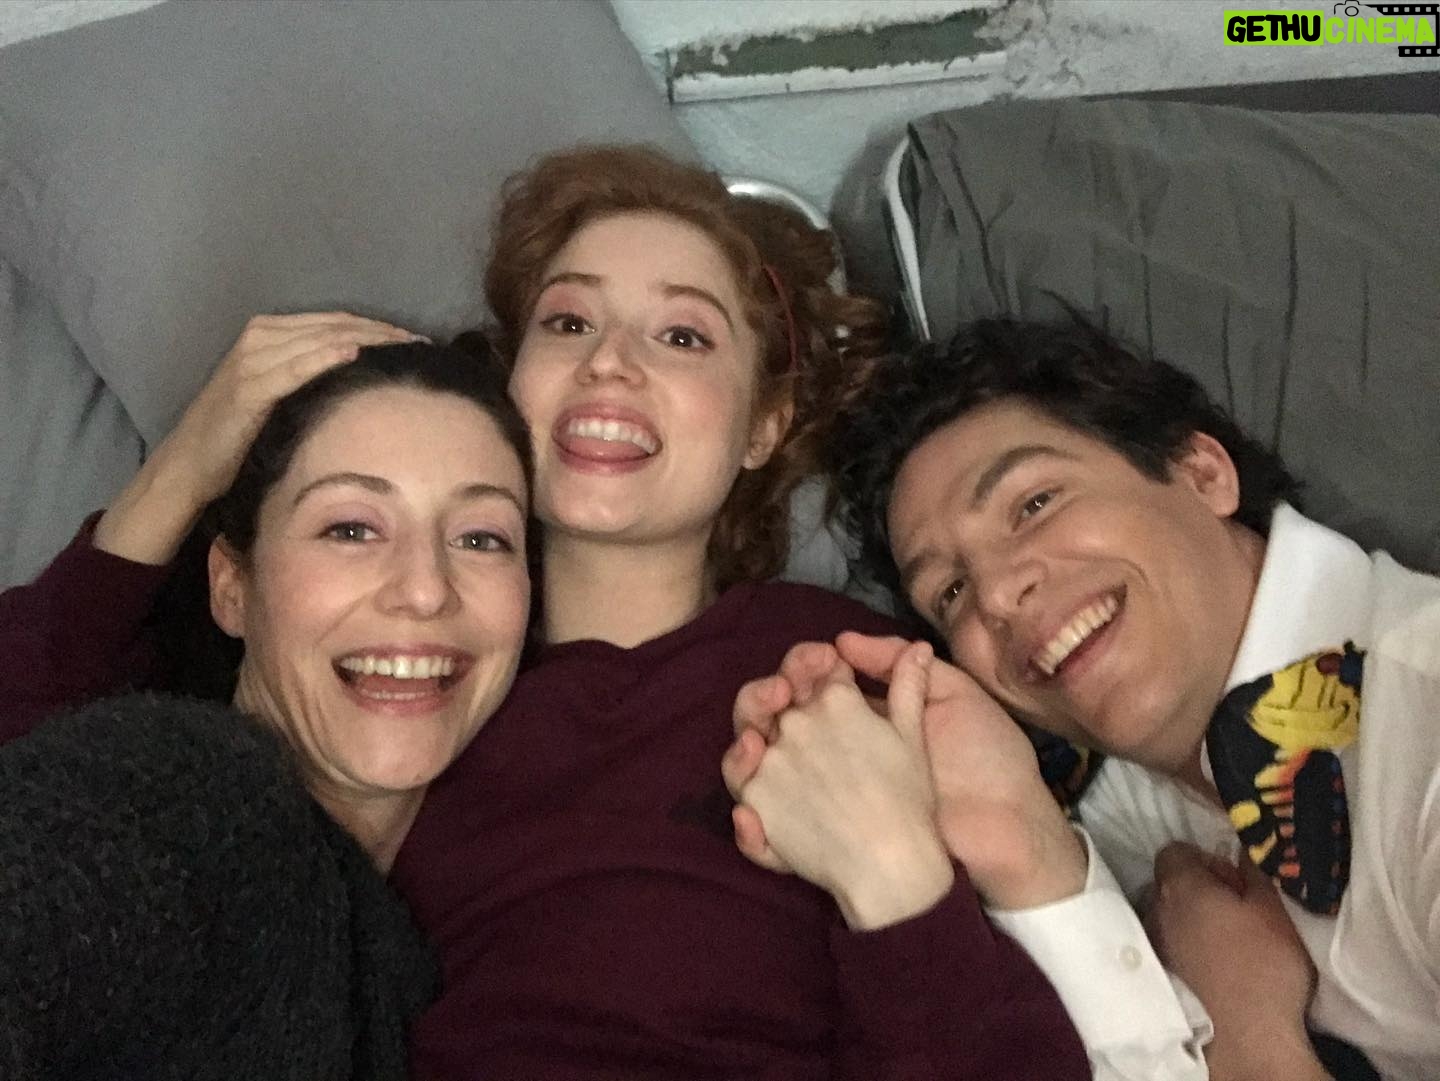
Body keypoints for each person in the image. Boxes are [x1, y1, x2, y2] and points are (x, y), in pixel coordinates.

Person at [0, 150, 1089, 1080]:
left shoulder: (841, 664)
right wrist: (184, 467)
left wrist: (898, 881)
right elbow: (58, 781)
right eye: (568, 321)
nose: (611, 361)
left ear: (764, 423)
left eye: (683, 337)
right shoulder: (403, 687)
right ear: (510, 386)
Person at [813, 315, 1434, 1080]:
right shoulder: (1107, 823)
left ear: (1203, 472)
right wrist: (1030, 856)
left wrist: (1251, 1042)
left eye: (1035, 503)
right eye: (951, 590)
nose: (998, 595)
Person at [0, 337, 534, 1079]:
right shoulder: (182, 803)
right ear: (232, 588)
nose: (425, 589)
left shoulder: (418, 949)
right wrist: (178, 474)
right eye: (351, 529)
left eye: (481, 537)